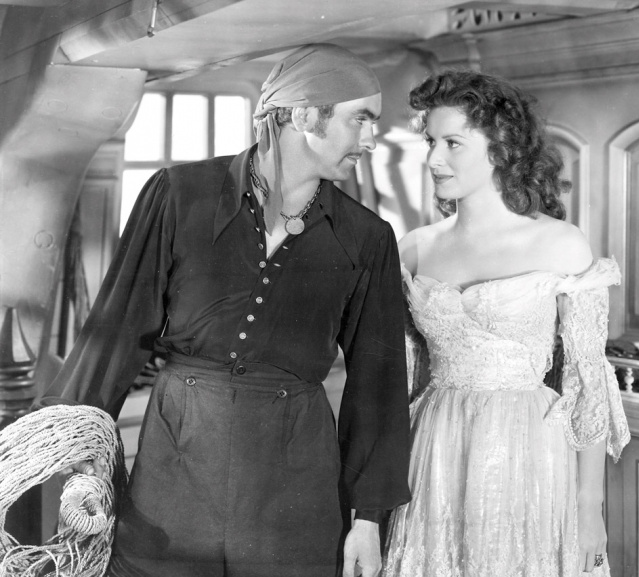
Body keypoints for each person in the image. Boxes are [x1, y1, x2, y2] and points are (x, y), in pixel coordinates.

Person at [37, 44, 411, 577]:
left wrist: (368, 519)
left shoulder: (367, 237)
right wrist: (76, 446)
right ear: (305, 115)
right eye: (361, 119)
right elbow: (118, 326)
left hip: (295, 487)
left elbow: (377, 385)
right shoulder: (179, 195)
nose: (371, 139)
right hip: (175, 470)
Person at [381, 70, 630, 576]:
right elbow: (398, 378)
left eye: (453, 143)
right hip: (437, 446)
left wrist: (590, 508)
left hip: (529, 447)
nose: (434, 159)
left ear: (501, 146)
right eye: (431, 142)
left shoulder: (560, 244)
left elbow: (588, 382)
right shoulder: (415, 248)